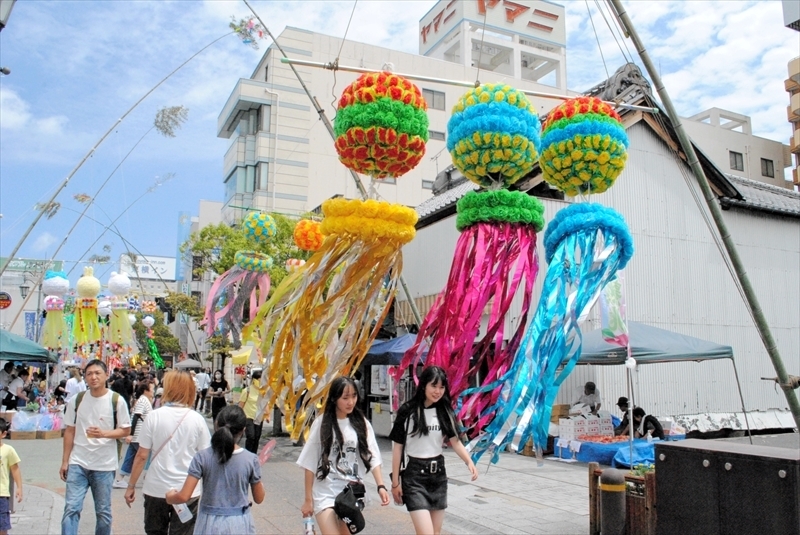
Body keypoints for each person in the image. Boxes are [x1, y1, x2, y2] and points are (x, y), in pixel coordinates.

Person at [389, 366, 478, 535]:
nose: (438, 391)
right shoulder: (408, 410)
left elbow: (455, 441)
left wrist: (469, 461)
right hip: (414, 477)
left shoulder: (444, 410)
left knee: (436, 533)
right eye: (434, 386)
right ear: (423, 385)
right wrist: (395, 483)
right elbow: (397, 448)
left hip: (438, 476)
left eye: (441, 387)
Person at [297, 376, 390, 535]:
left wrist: (381, 486)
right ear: (334, 399)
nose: (351, 402)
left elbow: (372, 456)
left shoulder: (361, 423)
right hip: (325, 492)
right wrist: (308, 499)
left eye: (354, 396)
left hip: (351, 494)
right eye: (345, 398)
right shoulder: (322, 424)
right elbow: (310, 462)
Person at [124, 371, 211, 535]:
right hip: (187, 491)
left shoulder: (154, 416)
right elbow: (205, 457)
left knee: (155, 531)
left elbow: (142, 455)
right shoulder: (197, 420)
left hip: (156, 488)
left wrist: (131, 486)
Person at [166, 405, 265, 535]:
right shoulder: (250, 459)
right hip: (239, 523)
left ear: (216, 424)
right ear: (243, 430)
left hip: (209, 523)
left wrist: (170, 497)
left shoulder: (202, 457)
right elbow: (259, 498)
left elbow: (184, 496)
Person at [60, 359, 132, 535]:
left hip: (104, 466)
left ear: (106, 375)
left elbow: (126, 430)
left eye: (97, 373)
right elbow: (69, 431)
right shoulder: (77, 400)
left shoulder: (116, 400)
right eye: (89, 374)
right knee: (71, 508)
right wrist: (65, 461)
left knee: (103, 513)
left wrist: (104, 434)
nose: (93, 377)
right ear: (84, 377)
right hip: (78, 463)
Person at [114, 380, 155, 489]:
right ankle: (147, 476)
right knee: (147, 456)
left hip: (138, 434)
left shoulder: (143, 400)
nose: (153, 391)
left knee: (131, 456)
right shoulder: (143, 401)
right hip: (140, 434)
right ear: (146, 390)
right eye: (152, 389)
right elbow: (136, 416)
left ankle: (119, 478)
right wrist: (131, 434)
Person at [0, 417, 23, 535]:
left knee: (2, 527)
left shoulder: (8, 450)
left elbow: (15, 469)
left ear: (3, 434)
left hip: (2, 494)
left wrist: (19, 487)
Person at [238, 371, 265, 454]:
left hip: (259, 417)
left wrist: (267, 415)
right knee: (251, 436)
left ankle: (253, 455)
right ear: (254, 380)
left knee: (257, 437)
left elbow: (265, 403)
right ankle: (248, 454)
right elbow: (241, 405)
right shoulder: (247, 391)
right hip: (248, 416)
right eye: (260, 380)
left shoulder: (263, 392)